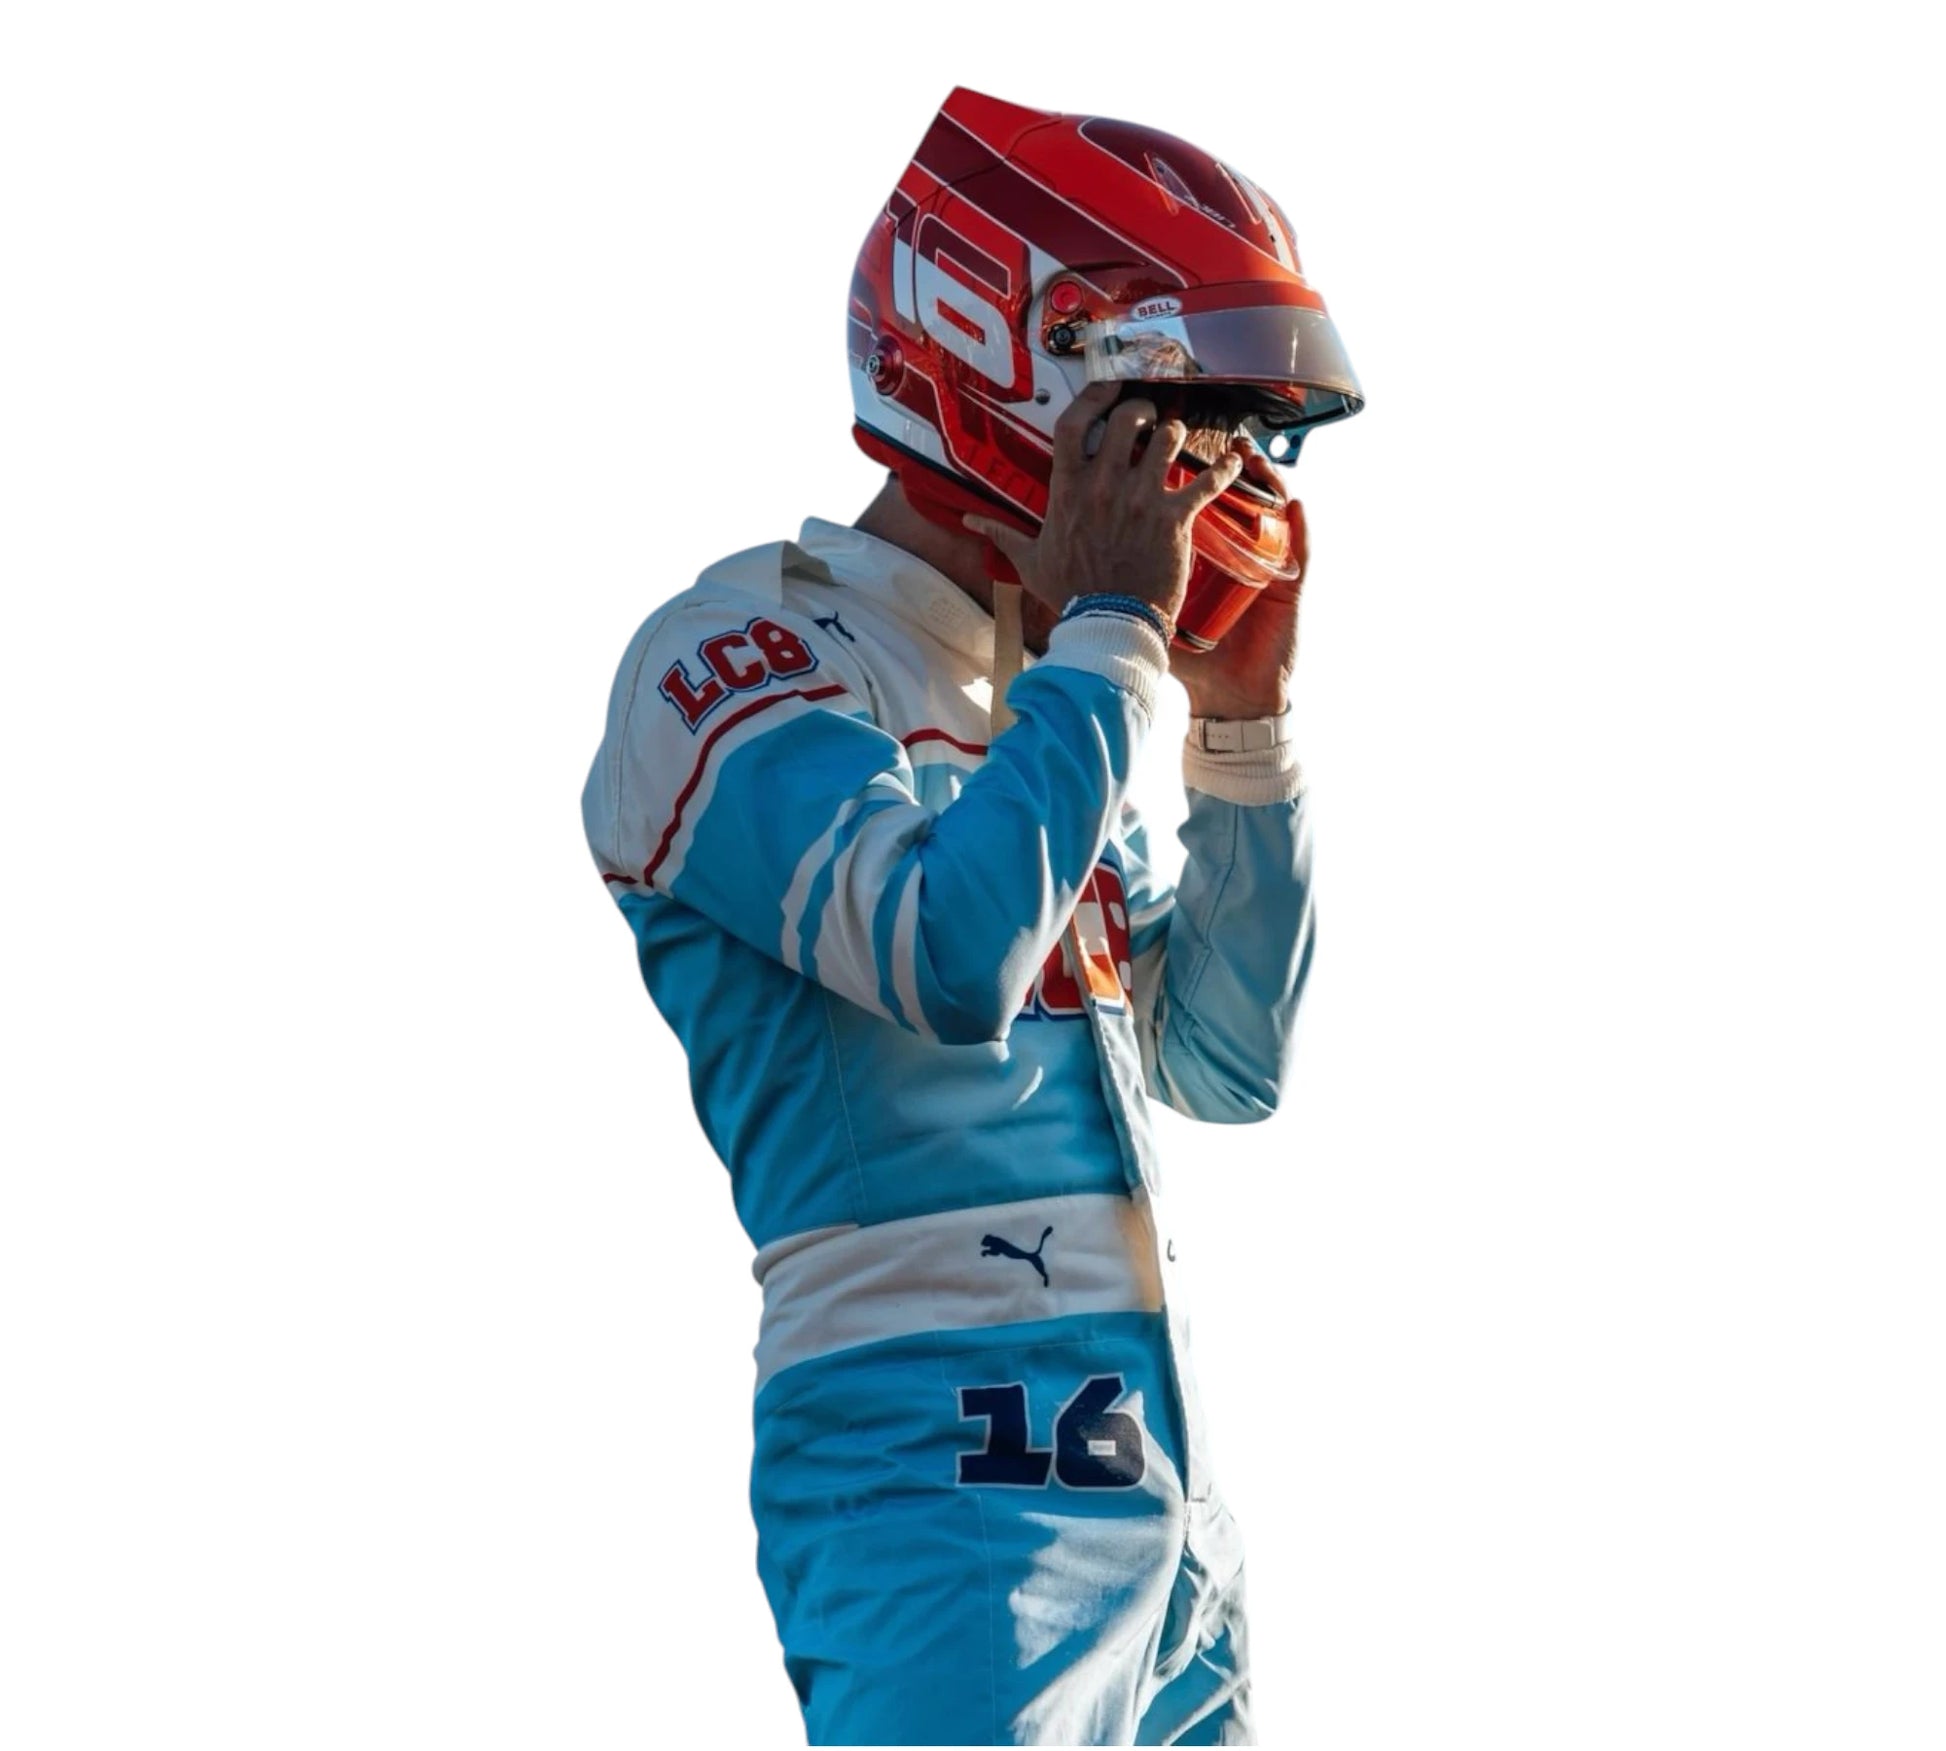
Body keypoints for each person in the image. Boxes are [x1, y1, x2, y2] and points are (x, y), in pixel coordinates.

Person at [582, 86, 1361, 1747]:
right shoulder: (740, 661)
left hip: (1160, 1486)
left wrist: (1238, 731)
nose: (1217, 478)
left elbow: (1223, 1063)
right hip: (939, 1476)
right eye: (1190, 421)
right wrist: (1103, 641)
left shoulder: (1042, 705)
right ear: (1020, 361)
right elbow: (947, 958)